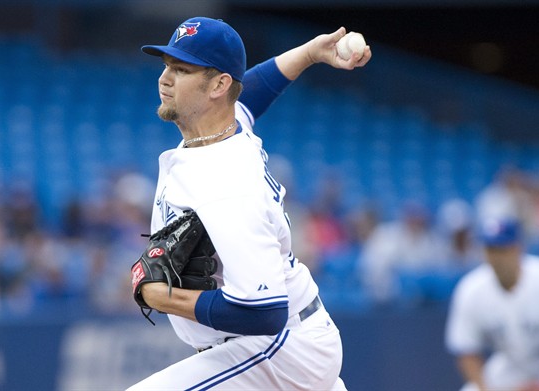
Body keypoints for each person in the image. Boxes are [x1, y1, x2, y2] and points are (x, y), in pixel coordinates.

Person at [127, 16, 371, 390]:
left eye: (181, 69)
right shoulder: (224, 126)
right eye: (166, 66)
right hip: (274, 341)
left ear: (219, 85)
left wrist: (163, 296)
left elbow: (264, 312)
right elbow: (254, 89)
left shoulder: (225, 181)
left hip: (280, 349)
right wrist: (308, 53)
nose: (165, 78)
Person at [445, 217, 539, 391]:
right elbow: (466, 350)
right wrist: (483, 388)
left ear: (518, 248)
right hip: (511, 367)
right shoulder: (471, 289)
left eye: (502, 249)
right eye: (491, 249)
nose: (497, 257)